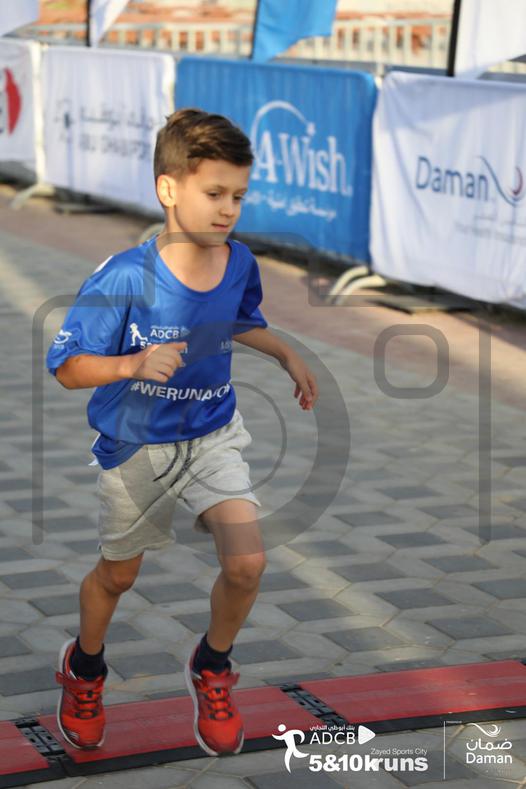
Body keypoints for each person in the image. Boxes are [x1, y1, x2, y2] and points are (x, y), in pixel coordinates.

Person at [46, 108, 318, 756]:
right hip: (136, 445)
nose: (229, 209)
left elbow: (239, 318)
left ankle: (212, 665)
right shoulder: (124, 276)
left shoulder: (239, 260)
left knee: (247, 562)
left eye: (239, 196)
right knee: (118, 577)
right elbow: (66, 366)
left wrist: (285, 352)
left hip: (212, 435)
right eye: (215, 193)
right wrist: (130, 364)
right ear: (169, 189)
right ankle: (84, 669)